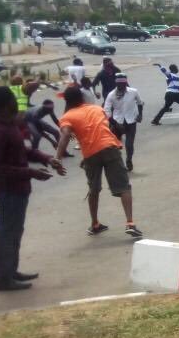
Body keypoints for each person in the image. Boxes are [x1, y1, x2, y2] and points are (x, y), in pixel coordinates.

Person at [0, 86, 66, 291]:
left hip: (18, 189)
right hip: (7, 190)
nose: (16, 102)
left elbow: (24, 151)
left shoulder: (10, 124)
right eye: (12, 98)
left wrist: (47, 159)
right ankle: (3, 279)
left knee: (14, 232)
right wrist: (30, 173)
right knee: (7, 233)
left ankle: (11, 271)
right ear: (5, 104)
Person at [55, 86, 141, 237]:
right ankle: (130, 223)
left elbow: (66, 135)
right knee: (124, 187)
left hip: (91, 154)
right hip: (109, 147)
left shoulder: (67, 117)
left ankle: (95, 224)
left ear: (66, 101)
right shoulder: (96, 109)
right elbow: (100, 129)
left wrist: (58, 158)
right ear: (82, 98)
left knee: (94, 189)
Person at [103, 73, 144, 171]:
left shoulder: (133, 92)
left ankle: (129, 159)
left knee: (129, 145)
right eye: (119, 84)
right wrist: (115, 124)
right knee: (115, 146)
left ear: (126, 83)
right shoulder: (111, 95)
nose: (121, 86)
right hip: (117, 122)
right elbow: (106, 111)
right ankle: (118, 163)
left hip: (131, 121)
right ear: (116, 84)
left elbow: (140, 103)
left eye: (123, 84)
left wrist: (140, 115)